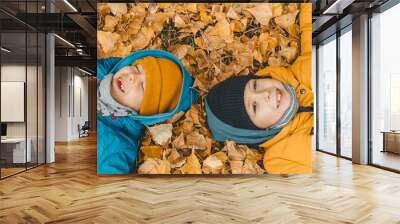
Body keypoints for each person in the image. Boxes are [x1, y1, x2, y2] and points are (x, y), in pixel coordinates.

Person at [204, 4, 313, 174]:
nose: (265, 94)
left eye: (255, 85)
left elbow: (311, 28)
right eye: (254, 106)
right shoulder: (281, 159)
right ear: (255, 132)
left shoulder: (301, 68)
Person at [97, 49, 198, 174]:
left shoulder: (116, 146)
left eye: (143, 87)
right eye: (138, 68)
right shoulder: (108, 69)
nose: (132, 77)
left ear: (144, 112)